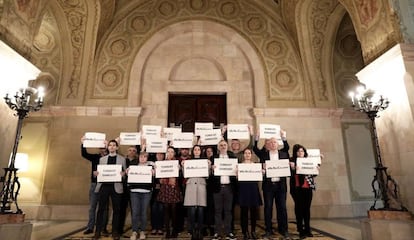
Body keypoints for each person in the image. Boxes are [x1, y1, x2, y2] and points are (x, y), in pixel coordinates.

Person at [253, 133, 290, 239]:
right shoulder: (263, 155)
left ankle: (284, 230)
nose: (273, 144)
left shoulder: (283, 154)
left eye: (275, 142)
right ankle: (268, 230)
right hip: (268, 186)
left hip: (281, 186)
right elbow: (255, 149)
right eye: (270, 142)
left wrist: (284, 136)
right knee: (268, 208)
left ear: (278, 144)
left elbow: (287, 147)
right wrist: (263, 170)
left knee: (282, 208)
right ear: (268, 144)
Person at [93, 139, 127, 240]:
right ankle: (98, 231)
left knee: (117, 210)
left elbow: (124, 173)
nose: (112, 147)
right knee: (101, 210)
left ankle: (115, 232)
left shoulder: (122, 159)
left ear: (117, 147)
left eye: (114, 145)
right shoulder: (102, 159)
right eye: (110, 145)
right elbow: (98, 173)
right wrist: (96, 174)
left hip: (116, 187)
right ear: (108, 147)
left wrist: (123, 174)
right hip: (104, 186)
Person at [289, 144, 320, 239]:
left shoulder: (309, 161)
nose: (300, 153)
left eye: (302, 151)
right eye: (298, 151)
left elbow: (312, 175)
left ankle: (307, 228)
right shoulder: (292, 161)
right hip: (297, 188)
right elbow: (288, 174)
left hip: (307, 187)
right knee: (299, 209)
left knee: (307, 209)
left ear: (304, 152)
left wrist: (316, 170)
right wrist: (293, 169)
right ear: (295, 153)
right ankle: (300, 229)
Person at [80, 137, 109, 235]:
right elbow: (84, 154)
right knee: (92, 207)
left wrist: (108, 144)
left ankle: (103, 228)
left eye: (104, 147)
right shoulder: (95, 157)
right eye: (101, 148)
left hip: (105, 185)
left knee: (104, 208)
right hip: (95, 184)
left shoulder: (111, 157)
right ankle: (90, 227)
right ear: (99, 149)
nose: (103, 149)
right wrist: (83, 143)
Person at [211, 140, 237, 240]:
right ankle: (217, 232)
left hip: (229, 188)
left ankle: (229, 232)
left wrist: (237, 171)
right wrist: (212, 169)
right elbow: (210, 175)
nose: (223, 146)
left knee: (228, 211)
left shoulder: (232, 157)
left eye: (224, 145)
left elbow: (235, 174)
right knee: (217, 211)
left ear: (227, 146)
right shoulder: (214, 158)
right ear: (218, 147)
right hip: (217, 188)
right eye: (221, 145)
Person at [183, 145, 209, 240]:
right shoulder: (188, 161)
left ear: (200, 151)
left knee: (201, 211)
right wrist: (183, 166)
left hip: (201, 185)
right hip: (191, 186)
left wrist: (209, 165)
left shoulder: (205, 161)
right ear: (193, 151)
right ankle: (192, 230)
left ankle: (200, 231)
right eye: (195, 149)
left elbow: (208, 175)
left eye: (198, 149)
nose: (197, 151)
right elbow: (185, 174)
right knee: (192, 211)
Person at [157, 146, 183, 239]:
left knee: (174, 210)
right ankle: (167, 230)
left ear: (174, 153)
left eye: (172, 152)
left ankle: (175, 230)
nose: (170, 153)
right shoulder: (162, 163)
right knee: (166, 210)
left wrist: (179, 170)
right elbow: (158, 177)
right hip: (165, 188)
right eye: (168, 151)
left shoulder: (177, 163)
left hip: (174, 188)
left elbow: (181, 176)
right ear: (166, 153)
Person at [128, 151, 154, 240]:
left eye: (145, 156)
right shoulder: (133, 166)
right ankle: (134, 231)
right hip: (134, 191)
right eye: (141, 156)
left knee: (143, 212)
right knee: (135, 212)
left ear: (147, 158)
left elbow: (154, 180)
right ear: (138, 157)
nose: (142, 158)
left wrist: (154, 174)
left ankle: (142, 231)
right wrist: (128, 172)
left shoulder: (151, 167)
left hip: (146, 191)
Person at [237, 148, 262, 240]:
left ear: (251, 155)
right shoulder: (239, 165)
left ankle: (253, 231)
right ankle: (245, 232)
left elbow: (259, 177)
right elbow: (237, 179)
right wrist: (236, 173)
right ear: (243, 154)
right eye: (245, 153)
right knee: (243, 212)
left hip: (253, 189)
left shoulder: (256, 165)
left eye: (249, 153)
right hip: (243, 189)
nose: (247, 154)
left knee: (253, 212)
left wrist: (261, 172)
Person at [119, 146, 139, 234]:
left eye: (134, 151)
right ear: (127, 152)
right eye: (130, 150)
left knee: (134, 210)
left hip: (134, 188)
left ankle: (135, 229)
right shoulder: (123, 160)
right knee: (122, 209)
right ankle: (119, 229)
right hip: (123, 188)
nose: (131, 152)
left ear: (136, 153)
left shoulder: (138, 162)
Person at [150, 152, 165, 236]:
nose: (159, 156)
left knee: (161, 208)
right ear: (155, 155)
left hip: (163, 190)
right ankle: (154, 227)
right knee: (154, 208)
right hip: (153, 190)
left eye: (161, 154)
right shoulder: (151, 165)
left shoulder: (166, 164)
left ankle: (160, 227)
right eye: (158, 154)